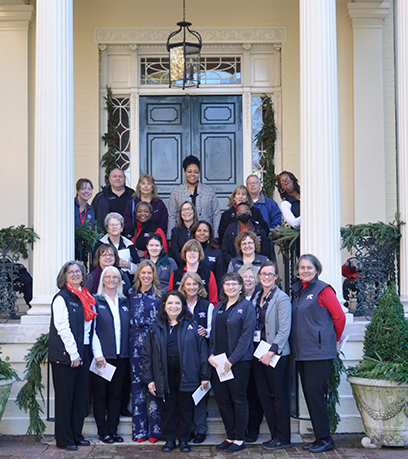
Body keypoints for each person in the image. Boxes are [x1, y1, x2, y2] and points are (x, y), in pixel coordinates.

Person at [141, 291, 211, 453]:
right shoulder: (155, 327)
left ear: (183, 306)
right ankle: (170, 440)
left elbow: (202, 351)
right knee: (167, 408)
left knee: (186, 408)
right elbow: (146, 354)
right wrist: (150, 379)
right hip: (163, 374)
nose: (174, 306)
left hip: (188, 373)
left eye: (177, 303)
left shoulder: (192, 325)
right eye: (170, 303)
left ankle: (184, 440)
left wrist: (204, 376)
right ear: (164, 305)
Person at [291, 254, 346, 453]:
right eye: (302, 267)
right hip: (303, 352)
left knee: (316, 395)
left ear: (316, 269)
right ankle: (320, 437)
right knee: (311, 395)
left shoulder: (324, 290)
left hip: (319, 352)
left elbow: (339, 317)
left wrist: (334, 340)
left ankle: (325, 439)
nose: (305, 271)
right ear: (298, 270)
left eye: (309, 268)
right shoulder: (299, 291)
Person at [49, 261, 96, 451]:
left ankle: (76, 435)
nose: (75, 274)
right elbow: (62, 328)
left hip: (82, 351)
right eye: (71, 272)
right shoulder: (62, 298)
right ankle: (65, 439)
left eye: (78, 271)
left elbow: (88, 328)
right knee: (65, 398)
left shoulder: (85, 296)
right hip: (66, 355)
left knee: (80, 397)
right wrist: (73, 353)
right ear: (65, 276)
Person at [208, 272, 256, 453]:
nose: (231, 287)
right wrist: (211, 354)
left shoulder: (246, 307)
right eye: (227, 283)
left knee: (238, 400)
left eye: (234, 284)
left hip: (238, 362)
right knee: (223, 400)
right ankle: (230, 435)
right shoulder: (219, 307)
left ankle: (239, 438)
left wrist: (232, 359)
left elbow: (246, 337)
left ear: (241, 286)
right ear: (223, 287)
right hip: (218, 363)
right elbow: (213, 333)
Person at [251, 261, 292, 451]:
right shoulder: (257, 296)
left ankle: (283, 437)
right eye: (264, 274)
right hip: (258, 353)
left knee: (279, 396)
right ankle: (274, 435)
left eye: (271, 274)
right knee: (264, 396)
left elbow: (284, 329)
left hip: (276, 354)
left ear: (276, 277)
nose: (267, 277)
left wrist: (272, 352)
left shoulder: (281, 298)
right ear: (259, 276)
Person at [92, 267, 130, 444]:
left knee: (116, 395)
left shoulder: (124, 301)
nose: (111, 279)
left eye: (115, 276)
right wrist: (98, 354)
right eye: (108, 276)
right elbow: (92, 331)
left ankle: (113, 431)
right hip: (102, 358)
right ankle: (103, 431)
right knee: (100, 395)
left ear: (119, 280)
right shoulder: (95, 300)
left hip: (121, 357)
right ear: (103, 280)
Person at [178, 272, 214, 443]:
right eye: (188, 284)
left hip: (201, 352)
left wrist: (206, 332)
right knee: (185, 395)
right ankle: (188, 428)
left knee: (201, 392)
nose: (191, 287)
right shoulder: (178, 305)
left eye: (195, 284)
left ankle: (201, 429)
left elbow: (212, 329)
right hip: (182, 353)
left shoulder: (207, 306)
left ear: (200, 287)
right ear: (183, 286)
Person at [129, 260, 162, 443]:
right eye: (143, 273)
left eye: (150, 273)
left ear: (154, 274)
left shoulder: (159, 295)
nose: (146, 276)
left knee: (154, 386)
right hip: (134, 343)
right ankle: (139, 430)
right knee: (137, 386)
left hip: (154, 343)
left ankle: (154, 430)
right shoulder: (130, 294)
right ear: (138, 274)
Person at [167, 155, 222, 239]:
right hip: (183, 237)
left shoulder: (209, 191)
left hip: (205, 236)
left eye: (196, 172)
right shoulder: (176, 191)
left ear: (199, 173)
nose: (192, 175)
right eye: (189, 172)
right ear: (185, 173)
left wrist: (216, 236)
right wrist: (170, 238)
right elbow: (172, 216)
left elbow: (216, 214)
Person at [168, 239, 218, 306]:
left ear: (199, 254)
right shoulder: (176, 274)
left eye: (195, 251)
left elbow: (214, 301)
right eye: (189, 251)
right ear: (184, 254)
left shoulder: (208, 274)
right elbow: (169, 298)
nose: (192, 253)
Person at [222, 201, 269, 266]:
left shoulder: (259, 230)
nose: (243, 214)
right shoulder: (230, 230)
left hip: (256, 266)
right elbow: (225, 251)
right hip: (236, 267)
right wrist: (234, 263)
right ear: (237, 215)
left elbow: (265, 251)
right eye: (240, 212)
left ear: (250, 213)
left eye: (246, 211)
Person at [191, 220, 224, 288]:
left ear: (209, 234)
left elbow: (219, 278)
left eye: (205, 231)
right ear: (194, 233)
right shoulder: (188, 251)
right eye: (199, 230)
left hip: (210, 289)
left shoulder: (217, 253)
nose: (202, 233)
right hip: (191, 288)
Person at [170, 201, 198, 267]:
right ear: (180, 213)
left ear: (194, 211)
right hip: (181, 265)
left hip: (198, 265)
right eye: (183, 210)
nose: (186, 212)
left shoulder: (199, 229)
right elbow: (175, 252)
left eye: (189, 209)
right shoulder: (175, 231)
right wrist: (187, 261)